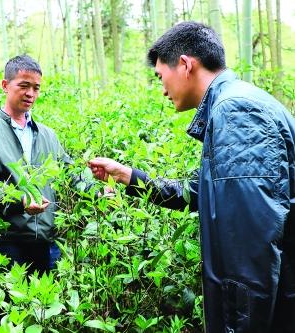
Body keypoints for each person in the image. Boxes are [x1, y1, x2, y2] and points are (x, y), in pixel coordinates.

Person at [88, 21, 295, 332]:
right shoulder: (235, 103)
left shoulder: (236, 112)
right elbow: (204, 194)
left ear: (184, 64)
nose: (162, 89)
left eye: (161, 76)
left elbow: (250, 250)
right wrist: (130, 177)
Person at [0, 55, 88, 274]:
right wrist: (20, 199)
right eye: (24, 86)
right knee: (7, 308)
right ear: (5, 85)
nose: (30, 93)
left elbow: (70, 173)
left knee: (46, 305)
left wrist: (97, 190)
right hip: (6, 244)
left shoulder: (48, 135)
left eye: (36, 88)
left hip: (47, 243)